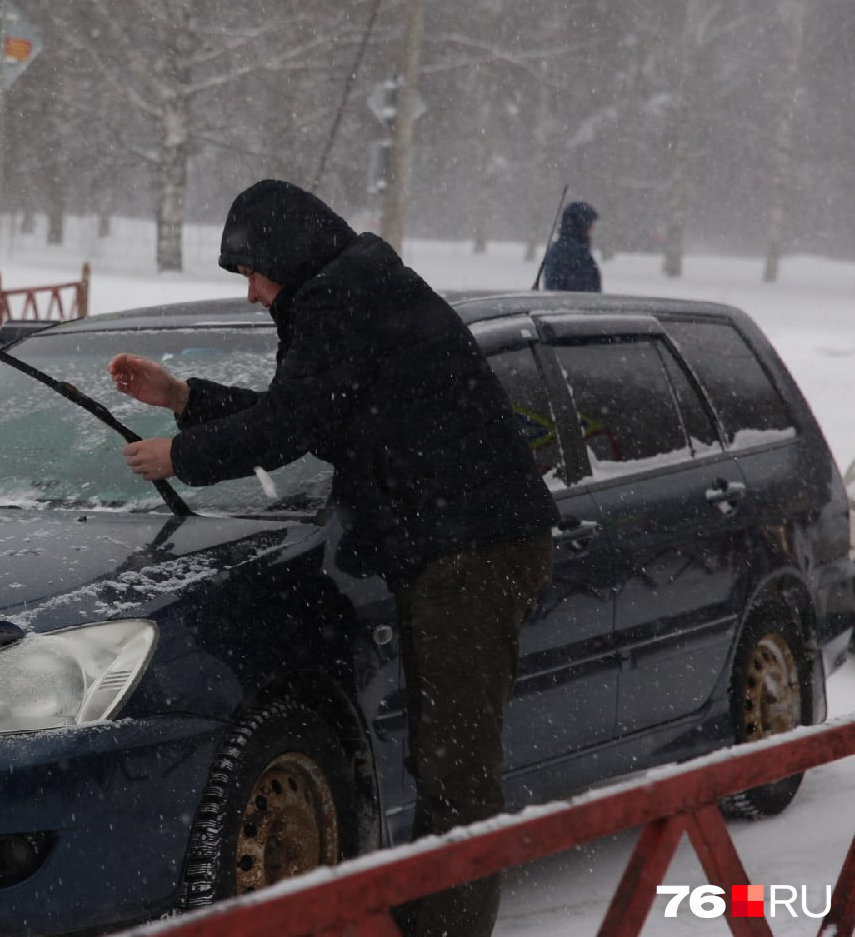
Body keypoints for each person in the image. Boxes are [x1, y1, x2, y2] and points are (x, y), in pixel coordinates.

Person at [108, 179, 559, 937]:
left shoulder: (341, 301)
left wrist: (181, 454)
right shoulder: (354, 292)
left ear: (287, 254)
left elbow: (288, 426)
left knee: (455, 768)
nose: (251, 294)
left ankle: (446, 928)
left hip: (468, 551)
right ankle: (435, 915)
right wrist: (184, 396)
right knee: (444, 758)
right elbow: (310, 413)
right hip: (460, 543)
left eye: (252, 272)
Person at [541, 200, 601, 292]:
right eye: (590, 225)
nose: (593, 229)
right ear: (582, 225)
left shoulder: (559, 249)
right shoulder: (577, 255)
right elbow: (584, 294)